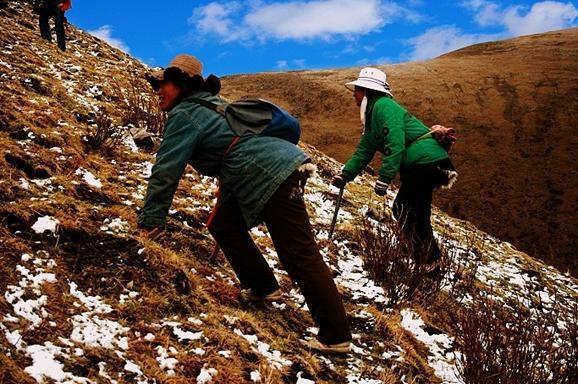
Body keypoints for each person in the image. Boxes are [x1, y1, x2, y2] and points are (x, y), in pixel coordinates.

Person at [138, 54, 352, 354]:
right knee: (223, 224)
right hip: (260, 168)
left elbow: (166, 170)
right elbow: (233, 148)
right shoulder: (213, 105)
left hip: (268, 173)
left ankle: (335, 336)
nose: (157, 90)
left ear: (182, 85)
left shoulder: (185, 113)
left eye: (164, 84)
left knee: (298, 253)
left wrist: (150, 222)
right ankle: (263, 287)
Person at [333, 67, 457, 269]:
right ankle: (429, 260)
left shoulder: (384, 106)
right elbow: (363, 151)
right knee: (415, 210)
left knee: (404, 208)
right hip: (425, 162)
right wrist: (345, 175)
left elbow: (395, 142)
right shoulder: (374, 117)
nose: (353, 94)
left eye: (356, 90)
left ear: (366, 91)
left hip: (424, 161)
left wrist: (384, 178)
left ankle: (429, 260)